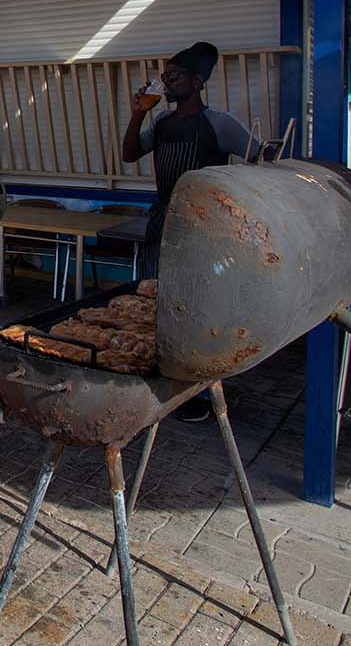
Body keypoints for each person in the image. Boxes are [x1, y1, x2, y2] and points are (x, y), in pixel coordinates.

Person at [121, 41, 261, 421]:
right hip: (163, 218)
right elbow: (129, 154)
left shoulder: (221, 123)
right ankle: (156, 379)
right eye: (164, 76)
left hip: (203, 228)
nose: (166, 82)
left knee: (199, 306)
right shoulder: (162, 122)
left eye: (175, 76)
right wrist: (136, 114)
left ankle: (198, 391)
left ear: (198, 82)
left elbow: (262, 158)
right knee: (154, 299)